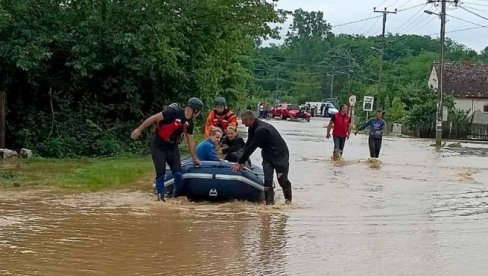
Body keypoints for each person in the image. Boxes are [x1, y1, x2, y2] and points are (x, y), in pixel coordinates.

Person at [131, 97, 203, 201]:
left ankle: (175, 197)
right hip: (158, 146)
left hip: (172, 147)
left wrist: (195, 158)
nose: (198, 114)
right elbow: (153, 118)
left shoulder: (190, 123)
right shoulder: (173, 112)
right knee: (161, 173)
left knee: (178, 174)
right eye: (199, 112)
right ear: (195, 110)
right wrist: (139, 129)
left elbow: (190, 141)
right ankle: (160, 198)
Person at [231, 110, 292, 205]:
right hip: (267, 155)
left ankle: (288, 202)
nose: (242, 123)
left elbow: (252, 147)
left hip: (280, 155)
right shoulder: (252, 127)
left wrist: (239, 162)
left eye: (243, 121)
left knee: (282, 180)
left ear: (249, 119)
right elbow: (248, 144)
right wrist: (242, 161)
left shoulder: (261, 130)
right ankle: (269, 205)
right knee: (267, 180)